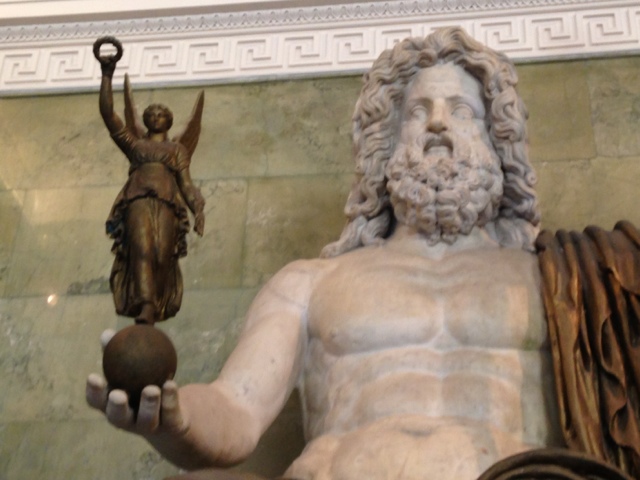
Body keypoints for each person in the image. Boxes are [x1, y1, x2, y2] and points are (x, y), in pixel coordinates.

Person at [87, 27, 562, 479]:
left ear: (497, 140)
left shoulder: (557, 282)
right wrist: (173, 416)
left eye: (461, 111)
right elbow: (236, 408)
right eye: (418, 112)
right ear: (387, 140)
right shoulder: (310, 283)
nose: (437, 122)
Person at [95, 37, 205, 325]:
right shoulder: (136, 146)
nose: (156, 116)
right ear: (145, 120)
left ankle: (155, 304)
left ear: (169, 121)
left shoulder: (177, 150)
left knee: (162, 255)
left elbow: (186, 184)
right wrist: (107, 74)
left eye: (161, 114)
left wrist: (198, 209)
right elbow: (108, 114)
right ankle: (145, 304)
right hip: (138, 201)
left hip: (167, 203)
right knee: (142, 250)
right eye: (151, 113)